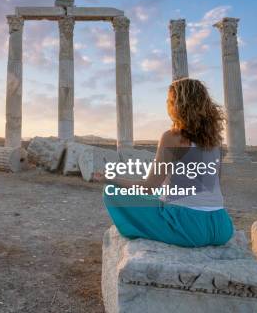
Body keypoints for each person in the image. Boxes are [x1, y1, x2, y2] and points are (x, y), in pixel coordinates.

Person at [96, 78, 234, 247]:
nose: (167, 104)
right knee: (161, 194)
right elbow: (211, 184)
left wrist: (109, 178)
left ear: (178, 105)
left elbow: (148, 187)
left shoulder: (172, 137)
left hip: (190, 228)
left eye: (170, 100)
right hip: (220, 226)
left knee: (111, 192)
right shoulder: (215, 140)